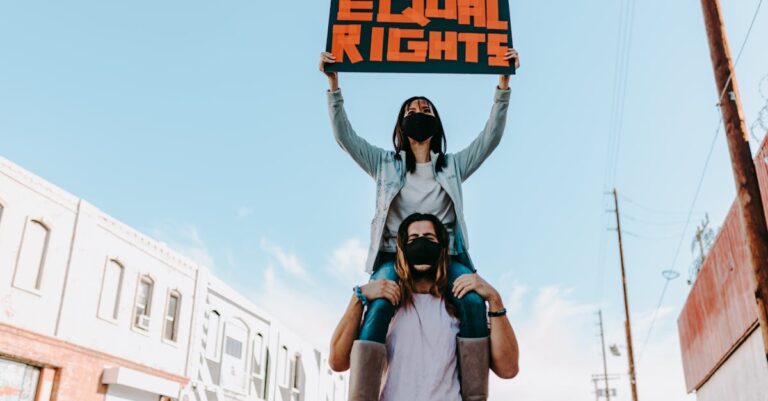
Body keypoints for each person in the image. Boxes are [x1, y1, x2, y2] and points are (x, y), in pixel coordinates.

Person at [320, 48, 520, 401]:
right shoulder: (384, 164)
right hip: (393, 255)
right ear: (401, 126)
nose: (418, 113)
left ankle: (474, 394)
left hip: (447, 254)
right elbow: (345, 137)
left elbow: (490, 138)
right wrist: (334, 85)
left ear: (436, 124)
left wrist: (503, 84)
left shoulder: (453, 167)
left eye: (425, 110)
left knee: (472, 301)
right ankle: (363, 394)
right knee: (381, 304)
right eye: (411, 111)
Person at [329, 213, 519, 401]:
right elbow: (337, 362)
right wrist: (358, 298)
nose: (421, 244)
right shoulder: (387, 307)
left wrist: (495, 299)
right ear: (402, 248)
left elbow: (508, 369)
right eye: (413, 239)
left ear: (442, 247)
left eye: (429, 238)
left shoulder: (460, 306)